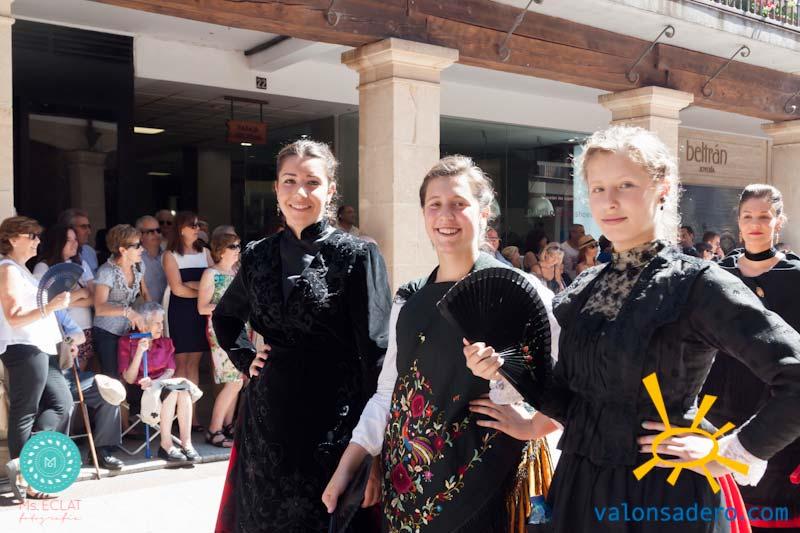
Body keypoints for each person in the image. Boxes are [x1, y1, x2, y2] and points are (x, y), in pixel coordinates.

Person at [465, 126, 800, 532]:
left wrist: (729, 452)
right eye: (598, 188)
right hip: (578, 491)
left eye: (625, 185)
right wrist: (507, 369)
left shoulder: (697, 284)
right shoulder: (585, 288)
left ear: (662, 189)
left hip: (660, 497)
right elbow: (571, 398)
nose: (609, 201)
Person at [323, 155, 559, 532]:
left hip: (486, 484)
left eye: (459, 203)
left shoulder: (521, 291)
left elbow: (572, 378)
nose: (445, 215)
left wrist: (532, 424)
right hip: (407, 490)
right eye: (435, 204)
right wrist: (349, 465)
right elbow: (389, 393)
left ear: (484, 213)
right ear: (423, 214)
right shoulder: (409, 298)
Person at [211, 139, 391, 533]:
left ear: (330, 190)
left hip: (333, 427)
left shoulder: (357, 256)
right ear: (277, 188)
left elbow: (377, 356)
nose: (300, 193)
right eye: (290, 181)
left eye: (312, 182)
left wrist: (373, 451)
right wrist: (245, 358)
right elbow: (225, 317)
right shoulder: (257, 254)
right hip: (266, 424)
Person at [702, 184, 800, 530]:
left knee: (769, 511)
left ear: (778, 221)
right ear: (738, 221)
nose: (755, 224)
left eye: (764, 217)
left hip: (777, 408)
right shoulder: (715, 275)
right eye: (748, 216)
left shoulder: (796, 277)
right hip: (716, 406)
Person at [0, 216, 73, 500]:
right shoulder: (7, 269)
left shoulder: (21, 270)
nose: (38, 241)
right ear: (12, 238)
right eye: (31, 236)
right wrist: (50, 306)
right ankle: (29, 477)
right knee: (26, 410)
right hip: (23, 347)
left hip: (41, 347)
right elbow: (14, 316)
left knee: (62, 403)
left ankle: (31, 463)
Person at [118, 302, 199, 463]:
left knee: (182, 390)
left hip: (161, 386)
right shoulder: (127, 341)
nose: (161, 327)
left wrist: (155, 382)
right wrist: (139, 352)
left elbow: (170, 370)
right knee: (173, 391)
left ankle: (186, 443)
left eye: (162, 323)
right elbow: (129, 378)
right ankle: (166, 445)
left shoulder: (166, 342)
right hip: (139, 391)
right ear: (144, 323)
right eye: (157, 323)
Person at [56, 308, 124, 470]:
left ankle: (102, 450)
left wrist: (67, 341)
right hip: (44, 374)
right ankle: (59, 453)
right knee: (61, 398)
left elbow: (79, 335)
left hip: (69, 373)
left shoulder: (57, 310)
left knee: (109, 390)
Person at [162, 211, 210, 430]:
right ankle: (177, 416)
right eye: (193, 225)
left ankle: (193, 417)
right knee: (180, 363)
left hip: (200, 312)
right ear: (181, 229)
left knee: (194, 364)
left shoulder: (205, 252)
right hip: (179, 312)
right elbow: (177, 289)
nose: (197, 229)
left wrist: (193, 286)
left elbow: (215, 282)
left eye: (198, 225)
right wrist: (201, 291)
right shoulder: (170, 255)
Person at [197, 229, 244, 448]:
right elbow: (202, 307)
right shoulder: (211, 274)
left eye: (238, 245)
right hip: (221, 331)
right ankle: (214, 429)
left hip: (240, 330)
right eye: (233, 246)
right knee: (234, 381)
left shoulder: (237, 272)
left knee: (238, 380)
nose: (238, 250)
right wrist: (228, 308)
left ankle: (227, 425)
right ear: (221, 250)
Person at [33, 223, 96, 369]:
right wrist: (80, 294)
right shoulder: (43, 267)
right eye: (68, 240)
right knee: (62, 368)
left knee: (79, 371)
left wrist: (64, 302)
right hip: (59, 331)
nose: (75, 243)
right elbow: (44, 301)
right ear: (57, 242)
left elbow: (93, 298)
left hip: (84, 327)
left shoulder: (81, 263)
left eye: (75, 239)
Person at [93, 224, 149, 377]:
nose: (142, 249)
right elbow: (99, 308)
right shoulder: (106, 272)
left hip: (128, 330)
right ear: (123, 250)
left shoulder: (139, 266)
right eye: (137, 246)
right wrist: (128, 312)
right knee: (112, 378)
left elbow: (145, 292)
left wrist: (152, 314)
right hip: (107, 331)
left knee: (130, 374)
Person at [136, 215, 168, 305]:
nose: (156, 234)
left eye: (158, 230)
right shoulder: (135, 258)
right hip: (144, 310)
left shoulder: (168, 256)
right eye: (150, 232)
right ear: (140, 235)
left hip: (167, 310)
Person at [59, 208, 98, 274]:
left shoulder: (90, 251)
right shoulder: (58, 256)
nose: (89, 232)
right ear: (69, 228)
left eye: (89, 227)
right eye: (83, 227)